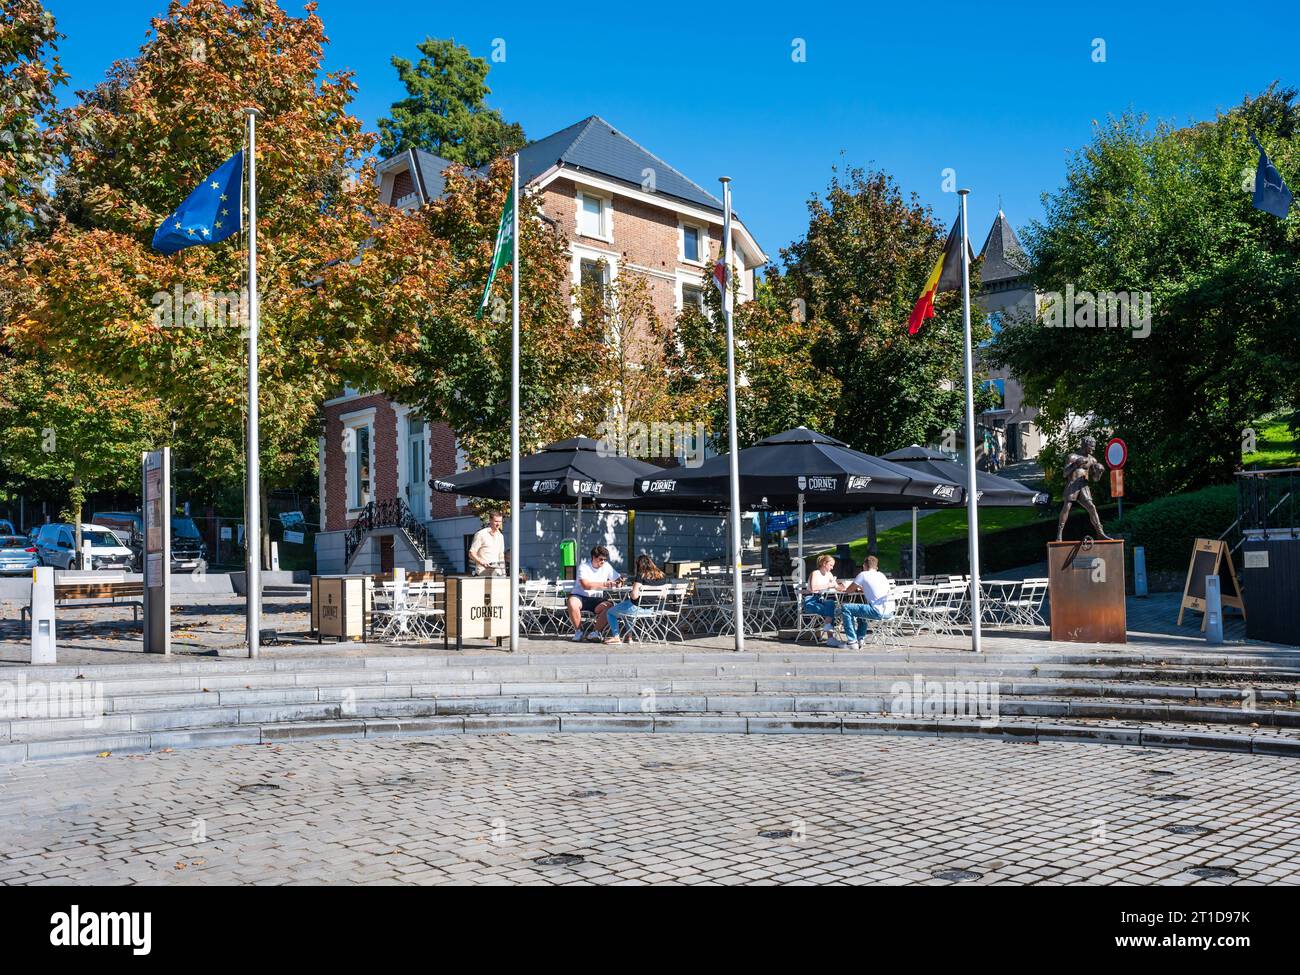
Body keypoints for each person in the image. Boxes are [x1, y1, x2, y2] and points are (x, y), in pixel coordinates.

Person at [604, 554, 665, 644]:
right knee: (627, 612)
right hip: (650, 609)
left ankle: (616, 637)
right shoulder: (660, 576)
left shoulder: (641, 576)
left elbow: (634, 596)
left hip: (635, 608)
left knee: (610, 612)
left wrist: (631, 591)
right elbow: (663, 596)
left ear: (639, 565)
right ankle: (629, 638)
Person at [567, 545, 623, 641]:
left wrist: (619, 583)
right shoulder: (584, 567)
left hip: (597, 599)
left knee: (609, 606)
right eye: (601, 559)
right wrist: (605, 584)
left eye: (605, 559)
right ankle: (579, 631)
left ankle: (595, 632)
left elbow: (619, 579)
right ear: (593, 557)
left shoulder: (606, 566)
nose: (603, 562)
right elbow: (586, 585)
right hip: (580, 596)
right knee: (572, 602)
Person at [840, 555, 896, 650]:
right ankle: (860, 638)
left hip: (877, 612)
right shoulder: (882, 575)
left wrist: (845, 588)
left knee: (846, 608)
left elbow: (849, 590)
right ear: (876, 567)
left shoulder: (863, 574)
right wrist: (862, 588)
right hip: (890, 612)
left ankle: (852, 642)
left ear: (864, 566)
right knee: (863, 609)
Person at [803, 554, 843, 646]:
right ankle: (830, 638)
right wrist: (829, 585)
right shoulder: (815, 573)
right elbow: (813, 588)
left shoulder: (829, 574)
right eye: (831, 565)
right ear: (824, 563)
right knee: (831, 610)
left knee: (831, 603)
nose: (832, 568)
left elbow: (836, 587)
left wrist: (846, 587)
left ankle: (827, 626)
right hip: (810, 600)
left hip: (820, 599)